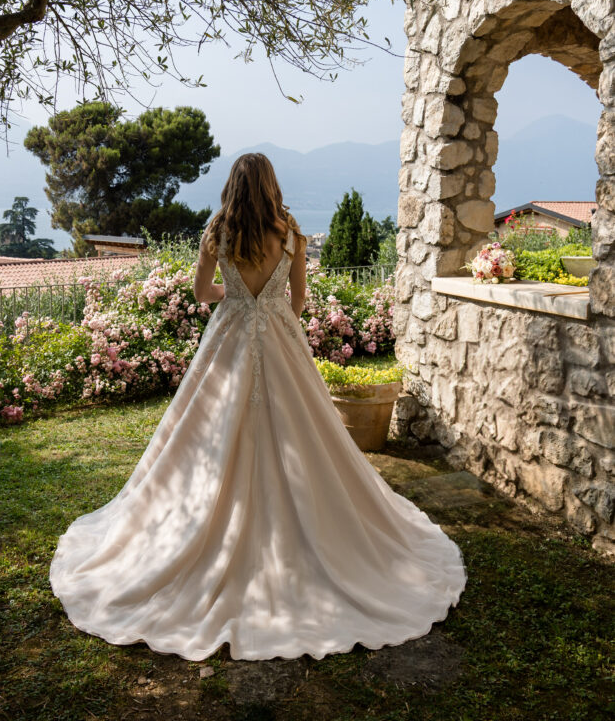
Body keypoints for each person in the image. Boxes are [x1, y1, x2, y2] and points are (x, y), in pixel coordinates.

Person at [49, 152, 467, 661]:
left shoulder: (215, 235)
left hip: (226, 340)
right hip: (280, 342)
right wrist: (271, 319)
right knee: (305, 435)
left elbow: (203, 292)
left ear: (232, 186)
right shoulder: (291, 235)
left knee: (202, 435)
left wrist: (235, 297)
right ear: (271, 186)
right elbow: (297, 302)